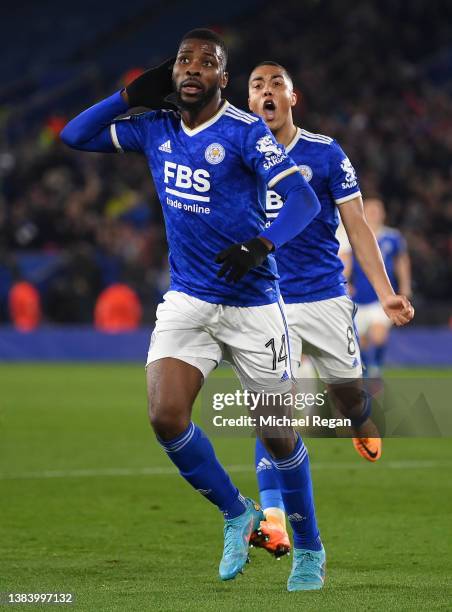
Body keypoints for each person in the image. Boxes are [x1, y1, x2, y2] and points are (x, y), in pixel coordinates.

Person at [61, 30, 326, 591]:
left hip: (253, 304)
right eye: (183, 60)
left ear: (222, 80)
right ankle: (237, 512)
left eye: (207, 63)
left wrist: (262, 244)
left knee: (278, 435)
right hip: (188, 300)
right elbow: (73, 135)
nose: (192, 68)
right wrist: (129, 96)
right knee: (165, 416)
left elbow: (303, 199)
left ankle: (309, 548)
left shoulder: (245, 133)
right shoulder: (154, 127)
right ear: (170, 71)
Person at [247, 61, 414, 557]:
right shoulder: (237, 153)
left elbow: (358, 226)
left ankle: (361, 419)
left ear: (292, 99)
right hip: (267, 303)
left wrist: (384, 292)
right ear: (249, 102)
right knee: (273, 411)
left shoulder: (324, 153)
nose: (268, 91)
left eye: (277, 84)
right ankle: (273, 517)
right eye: (258, 85)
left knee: (348, 398)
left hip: (323, 297)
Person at [349, 198, 412, 378]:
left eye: (377, 210)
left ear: (383, 213)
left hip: (382, 297)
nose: (374, 214)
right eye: (369, 210)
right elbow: (344, 261)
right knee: (361, 342)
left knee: (378, 335)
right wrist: (346, 283)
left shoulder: (393, 237)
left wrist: (405, 286)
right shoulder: (353, 237)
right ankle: (368, 370)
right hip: (357, 298)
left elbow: (402, 262)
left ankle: (376, 368)